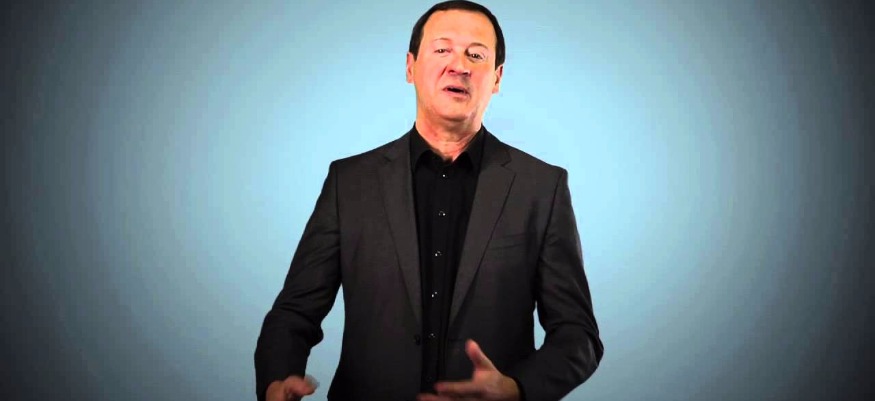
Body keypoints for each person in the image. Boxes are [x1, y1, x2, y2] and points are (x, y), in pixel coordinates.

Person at [254, 1, 603, 400]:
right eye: (442, 49)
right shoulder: (349, 182)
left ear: (496, 78)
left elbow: (579, 336)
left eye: (476, 55)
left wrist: (516, 388)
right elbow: (295, 312)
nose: (459, 65)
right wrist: (277, 379)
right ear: (410, 67)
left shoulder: (541, 187)